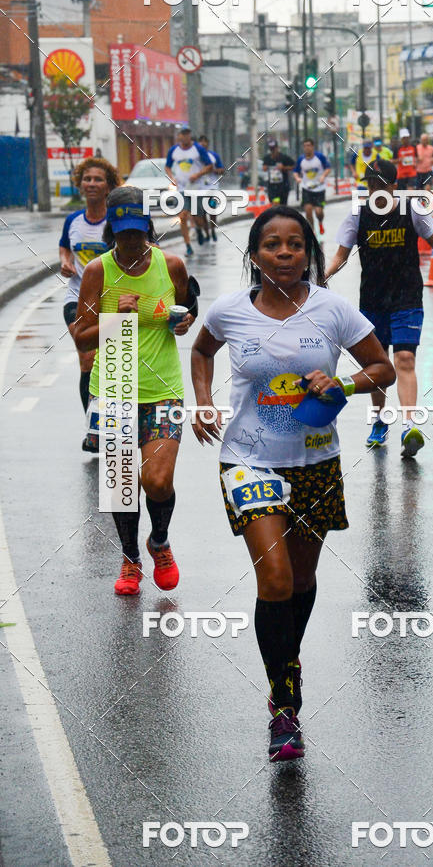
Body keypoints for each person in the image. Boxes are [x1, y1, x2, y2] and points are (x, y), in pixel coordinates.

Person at [190, 205, 395, 761]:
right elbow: (202, 350)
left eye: (296, 245)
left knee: (301, 581)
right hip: (248, 461)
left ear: (309, 252)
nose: (284, 253)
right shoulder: (231, 310)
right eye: (272, 245)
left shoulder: (333, 310)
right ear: (254, 255)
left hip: (315, 462)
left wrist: (344, 384)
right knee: (275, 579)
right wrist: (203, 402)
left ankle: (288, 662)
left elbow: (383, 369)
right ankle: (284, 704)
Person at [73, 186, 197, 596]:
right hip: (113, 388)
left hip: (163, 387)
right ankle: (130, 557)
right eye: (122, 232)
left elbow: (183, 311)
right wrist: (114, 317)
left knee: (158, 481)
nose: (130, 240)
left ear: (148, 226)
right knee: (122, 486)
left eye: (137, 231)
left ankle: (159, 541)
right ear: (112, 228)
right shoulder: (98, 272)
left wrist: (183, 322)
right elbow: (81, 338)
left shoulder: (172, 266)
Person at [326, 159, 433, 456]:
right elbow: (341, 256)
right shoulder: (357, 215)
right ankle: (379, 420)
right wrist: (320, 278)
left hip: (406, 298)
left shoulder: (413, 209)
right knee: (378, 365)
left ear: (394, 187)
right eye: (370, 186)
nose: (375, 192)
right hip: (372, 300)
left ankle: (409, 425)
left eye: (381, 186)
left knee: (404, 359)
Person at [59, 156, 121, 447]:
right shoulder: (73, 220)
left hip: (111, 301)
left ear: (109, 186)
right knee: (88, 359)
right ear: (80, 184)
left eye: (98, 179)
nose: (92, 184)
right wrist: (65, 261)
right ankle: (93, 430)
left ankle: (116, 419)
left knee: (110, 363)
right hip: (77, 299)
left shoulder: (118, 220)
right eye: (87, 179)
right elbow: (63, 247)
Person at [165, 127, 213, 256]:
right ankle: (188, 246)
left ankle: (199, 228)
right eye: (183, 134)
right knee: (183, 216)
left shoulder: (198, 149)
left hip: (196, 188)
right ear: (179, 136)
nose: (185, 137)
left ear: (190, 136)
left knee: (198, 218)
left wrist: (197, 175)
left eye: (188, 134)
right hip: (181, 188)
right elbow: (167, 166)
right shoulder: (174, 150)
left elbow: (209, 166)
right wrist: (172, 178)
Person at [293, 139, 331, 235]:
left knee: (318, 212)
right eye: (305, 146)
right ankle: (312, 231)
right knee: (308, 209)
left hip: (319, 189)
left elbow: (328, 168)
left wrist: (323, 176)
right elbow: (295, 171)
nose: (307, 148)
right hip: (307, 188)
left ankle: (320, 222)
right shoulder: (301, 159)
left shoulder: (319, 157)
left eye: (309, 145)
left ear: (313, 146)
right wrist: (297, 178)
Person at [197, 134, 225, 243]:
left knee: (212, 211)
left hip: (213, 187)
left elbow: (222, 170)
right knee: (202, 213)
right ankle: (207, 233)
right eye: (201, 142)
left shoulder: (213, 156)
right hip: (199, 189)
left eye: (205, 142)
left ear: (208, 144)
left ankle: (213, 230)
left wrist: (214, 170)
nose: (203, 144)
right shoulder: (195, 157)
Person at [262, 139, 295, 205]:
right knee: (275, 204)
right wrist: (265, 167)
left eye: (274, 149)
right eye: (271, 149)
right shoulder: (267, 158)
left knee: (282, 206)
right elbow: (264, 167)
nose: (273, 151)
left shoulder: (284, 157)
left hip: (283, 186)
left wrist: (284, 168)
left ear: (277, 148)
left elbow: (294, 166)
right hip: (272, 186)